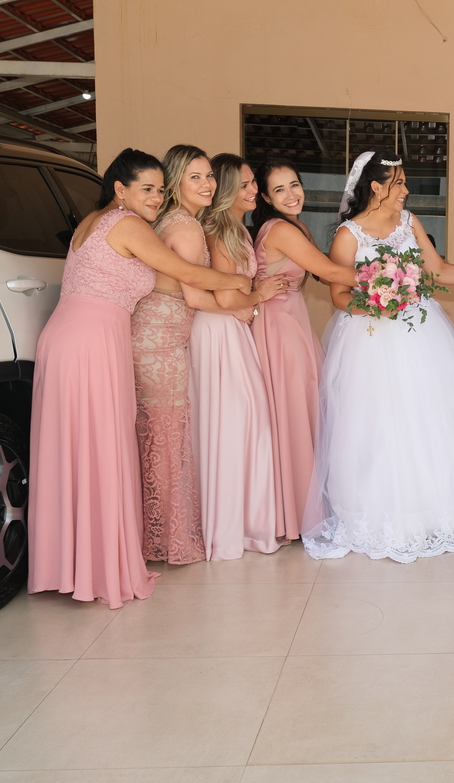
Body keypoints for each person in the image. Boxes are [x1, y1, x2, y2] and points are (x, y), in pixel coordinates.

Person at [28, 148, 250, 607]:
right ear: (120, 189)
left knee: (75, 449)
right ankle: (99, 568)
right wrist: (248, 284)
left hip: (69, 336)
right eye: (147, 189)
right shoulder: (127, 224)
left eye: (160, 190)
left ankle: (70, 565)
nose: (155, 197)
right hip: (93, 340)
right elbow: (185, 273)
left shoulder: (92, 222)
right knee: (101, 448)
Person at [302, 150, 454, 562]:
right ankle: (386, 517)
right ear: (376, 186)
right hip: (369, 338)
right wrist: (374, 304)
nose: (405, 189)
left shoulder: (409, 222)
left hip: (421, 333)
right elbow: (339, 293)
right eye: (398, 182)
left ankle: (444, 511)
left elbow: (435, 270)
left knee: (433, 415)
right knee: (379, 424)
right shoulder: (349, 234)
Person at [250, 158, 359, 543]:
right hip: (279, 327)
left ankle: (301, 503)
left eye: (294, 184)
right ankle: (296, 512)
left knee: (304, 409)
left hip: (291, 320)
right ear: (266, 197)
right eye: (279, 189)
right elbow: (330, 273)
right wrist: (395, 277)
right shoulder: (280, 229)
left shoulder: (296, 226)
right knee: (294, 412)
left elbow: (323, 271)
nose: (291, 194)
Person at [131, 144, 226, 565]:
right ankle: (166, 539)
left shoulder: (172, 220)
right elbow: (195, 294)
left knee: (156, 437)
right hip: (160, 343)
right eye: (195, 177)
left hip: (156, 338)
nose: (207, 184)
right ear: (175, 183)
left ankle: (151, 534)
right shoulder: (185, 226)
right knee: (167, 439)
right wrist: (249, 299)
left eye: (209, 175)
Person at [190, 153, 288, 559]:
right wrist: (258, 296)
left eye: (253, 184)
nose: (253, 190)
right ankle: (229, 528)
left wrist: (249, 301)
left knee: (247, 424)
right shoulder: (218, 231)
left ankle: (247, 524)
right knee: (235, 425)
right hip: (218, 333)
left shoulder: (237, 230)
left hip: (233, 331)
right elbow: (227, 298)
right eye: (244, 184)